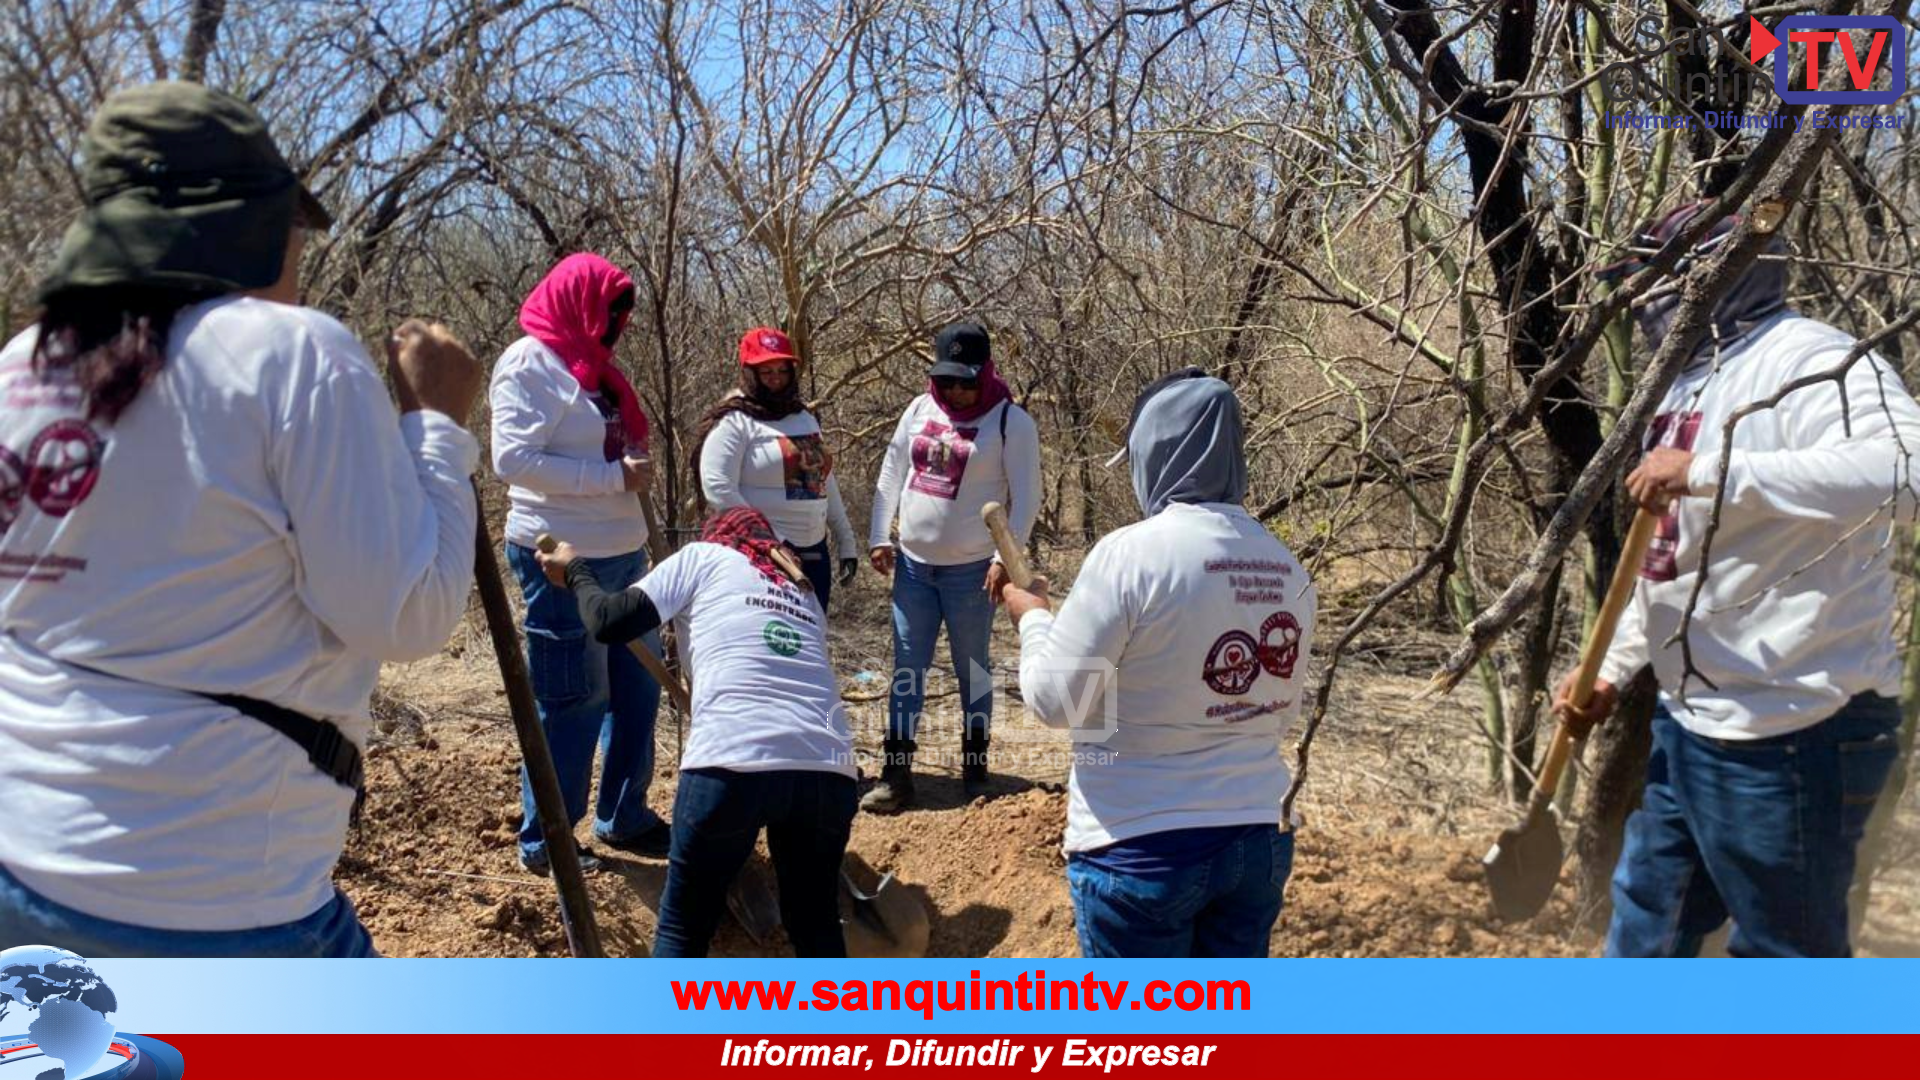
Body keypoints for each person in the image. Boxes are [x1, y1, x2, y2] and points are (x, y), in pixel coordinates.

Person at [0, 82, 483, 957]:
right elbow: (409, 615)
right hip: (213, 898)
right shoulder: (295, 353)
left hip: (20, 866)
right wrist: (438, 424)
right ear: (250, 226)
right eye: (293, 229)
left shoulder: (24, 365)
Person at [1556, 200, 1920, 958]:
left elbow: (1905, 471)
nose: (1650, 302)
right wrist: (1616, 667)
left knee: (1782, 964)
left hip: (1796, 727)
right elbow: (1668, 560)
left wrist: (1716, 471)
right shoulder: (1687, 386)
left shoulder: (1813, 359)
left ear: (1713, 278)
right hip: (1691, 724)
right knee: (1646, 934)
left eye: (1661, 281)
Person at [998, 370, 1316, 958]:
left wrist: (1034, 617)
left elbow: (1055, 702)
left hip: (1140, 845)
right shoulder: (1286, 567)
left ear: (1156, 454)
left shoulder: (1131, 555)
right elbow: (1278, 709)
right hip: (1256, 841)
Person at [538, 508, 857, 957]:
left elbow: (610, 620)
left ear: (719, 535)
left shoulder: (703, 557)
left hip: (732, 763)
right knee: (816, 924)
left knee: (683, 929)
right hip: (830, 767)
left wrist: (574, 572)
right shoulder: (802, 590)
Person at [490, 253, 670, 872]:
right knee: (575, 697)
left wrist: (625, 465)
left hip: (625, 554)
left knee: (639, 687)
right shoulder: (527, 364)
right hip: (560, 556)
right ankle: (549, 841)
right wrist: (609, 475)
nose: (618, 324)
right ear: (581, 304)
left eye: (622, 314)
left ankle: (624, 815)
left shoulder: (595, 370)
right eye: (611, 311)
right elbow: (512, 459)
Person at [863, 322, 1041, 811]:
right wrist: (881, 535)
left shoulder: (1010, 422)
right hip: (915, 570)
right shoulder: (920, 410)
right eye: (947, 381)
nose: (957, 391)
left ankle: (976, 769)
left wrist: (1006, 558)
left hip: (971, 572)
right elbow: (892, 473)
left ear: (984, 373)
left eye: (966, 381)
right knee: (907, 669)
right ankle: (896, 776)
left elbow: (1028, 496)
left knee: (972, 669)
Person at [694, 326, 858, 609]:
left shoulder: (803, 417)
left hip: (814, 551)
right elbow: (718, 487)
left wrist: (846, 540)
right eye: (766, 372)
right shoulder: (734, 420)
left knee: (812, 638)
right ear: (749, 373)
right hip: (761, 554)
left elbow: (822, 479)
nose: (776, 380)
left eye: (782, 371)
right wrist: (769, 541)